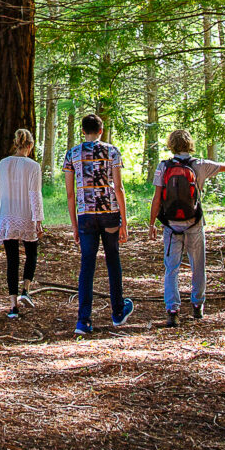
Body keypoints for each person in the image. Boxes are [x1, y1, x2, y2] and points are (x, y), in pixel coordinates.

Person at [147, 129, 225, 327]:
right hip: (194, 223)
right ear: (190, 144)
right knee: (197, 265)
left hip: (171, 226)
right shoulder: (200, 165)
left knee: (171, 268)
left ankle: (172, 309)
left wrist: (152, 223)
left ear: (171, 144)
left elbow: (157, 198)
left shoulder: (163, 166)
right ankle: (198, 305)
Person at [61, 113, 132, 336]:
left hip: (86, 216)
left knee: (87, 266)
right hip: (109, 212)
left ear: (83, 131)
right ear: (101, 130)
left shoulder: (72, 154)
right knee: (113, 260)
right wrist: (124, 221)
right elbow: (118, 188)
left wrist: (74, 225)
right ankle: (118, 312)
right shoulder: (112, 151)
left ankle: (83, 320)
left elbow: (70, 194)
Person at [0, 128, 44, 318]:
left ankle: (13, 306)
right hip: (26, 215)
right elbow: (34, 195)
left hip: (7, 215)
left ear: (16, 144)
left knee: (11, 260)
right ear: (30, 146)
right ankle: (25, 290)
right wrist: (38, 220)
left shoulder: (4, 164)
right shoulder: (33, 166)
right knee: (31, 253)